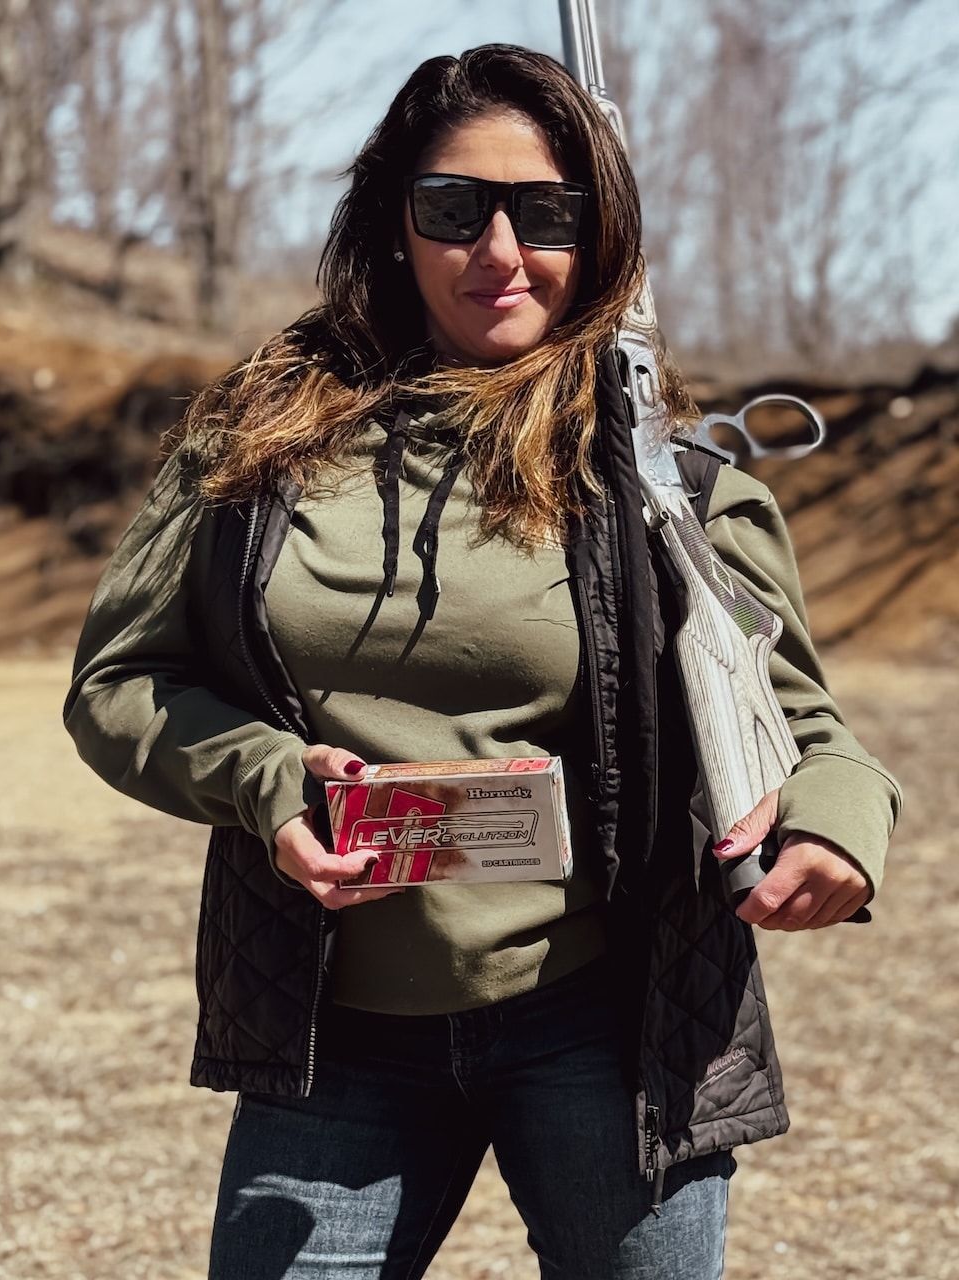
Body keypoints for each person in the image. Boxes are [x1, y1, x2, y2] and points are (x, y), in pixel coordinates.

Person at [64, 43, 900, 1280]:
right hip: (335, 1036)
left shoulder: (660, 479)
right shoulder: (254, 446)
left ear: (598, 234)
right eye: (454, 207)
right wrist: (266, 780)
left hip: (606, 1027)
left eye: (545, 212)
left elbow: (805, 727)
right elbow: (118, 683)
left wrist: (835, 829)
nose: (499, 251)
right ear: (394, 221)